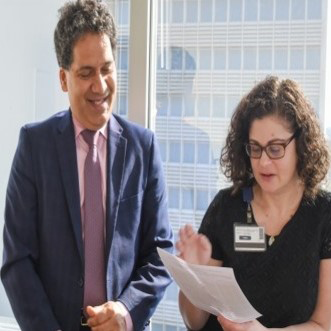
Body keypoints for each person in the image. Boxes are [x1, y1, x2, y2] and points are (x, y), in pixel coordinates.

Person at [1, 1, 173, 331]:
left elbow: (160, 255)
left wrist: (126, 311)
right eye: (86, 73)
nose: (100, 85)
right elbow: (17, 261)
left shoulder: (143, 148)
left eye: (107, 69)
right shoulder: (34, 147)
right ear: (63, 79)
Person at [176, 76, 331, 331]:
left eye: (275, 148)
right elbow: (194, 322)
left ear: (301, 144)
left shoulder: (324, 215)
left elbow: (323, 325)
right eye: (255, 148)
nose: (263, 162)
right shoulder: (226, 207)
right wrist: (194, 277)